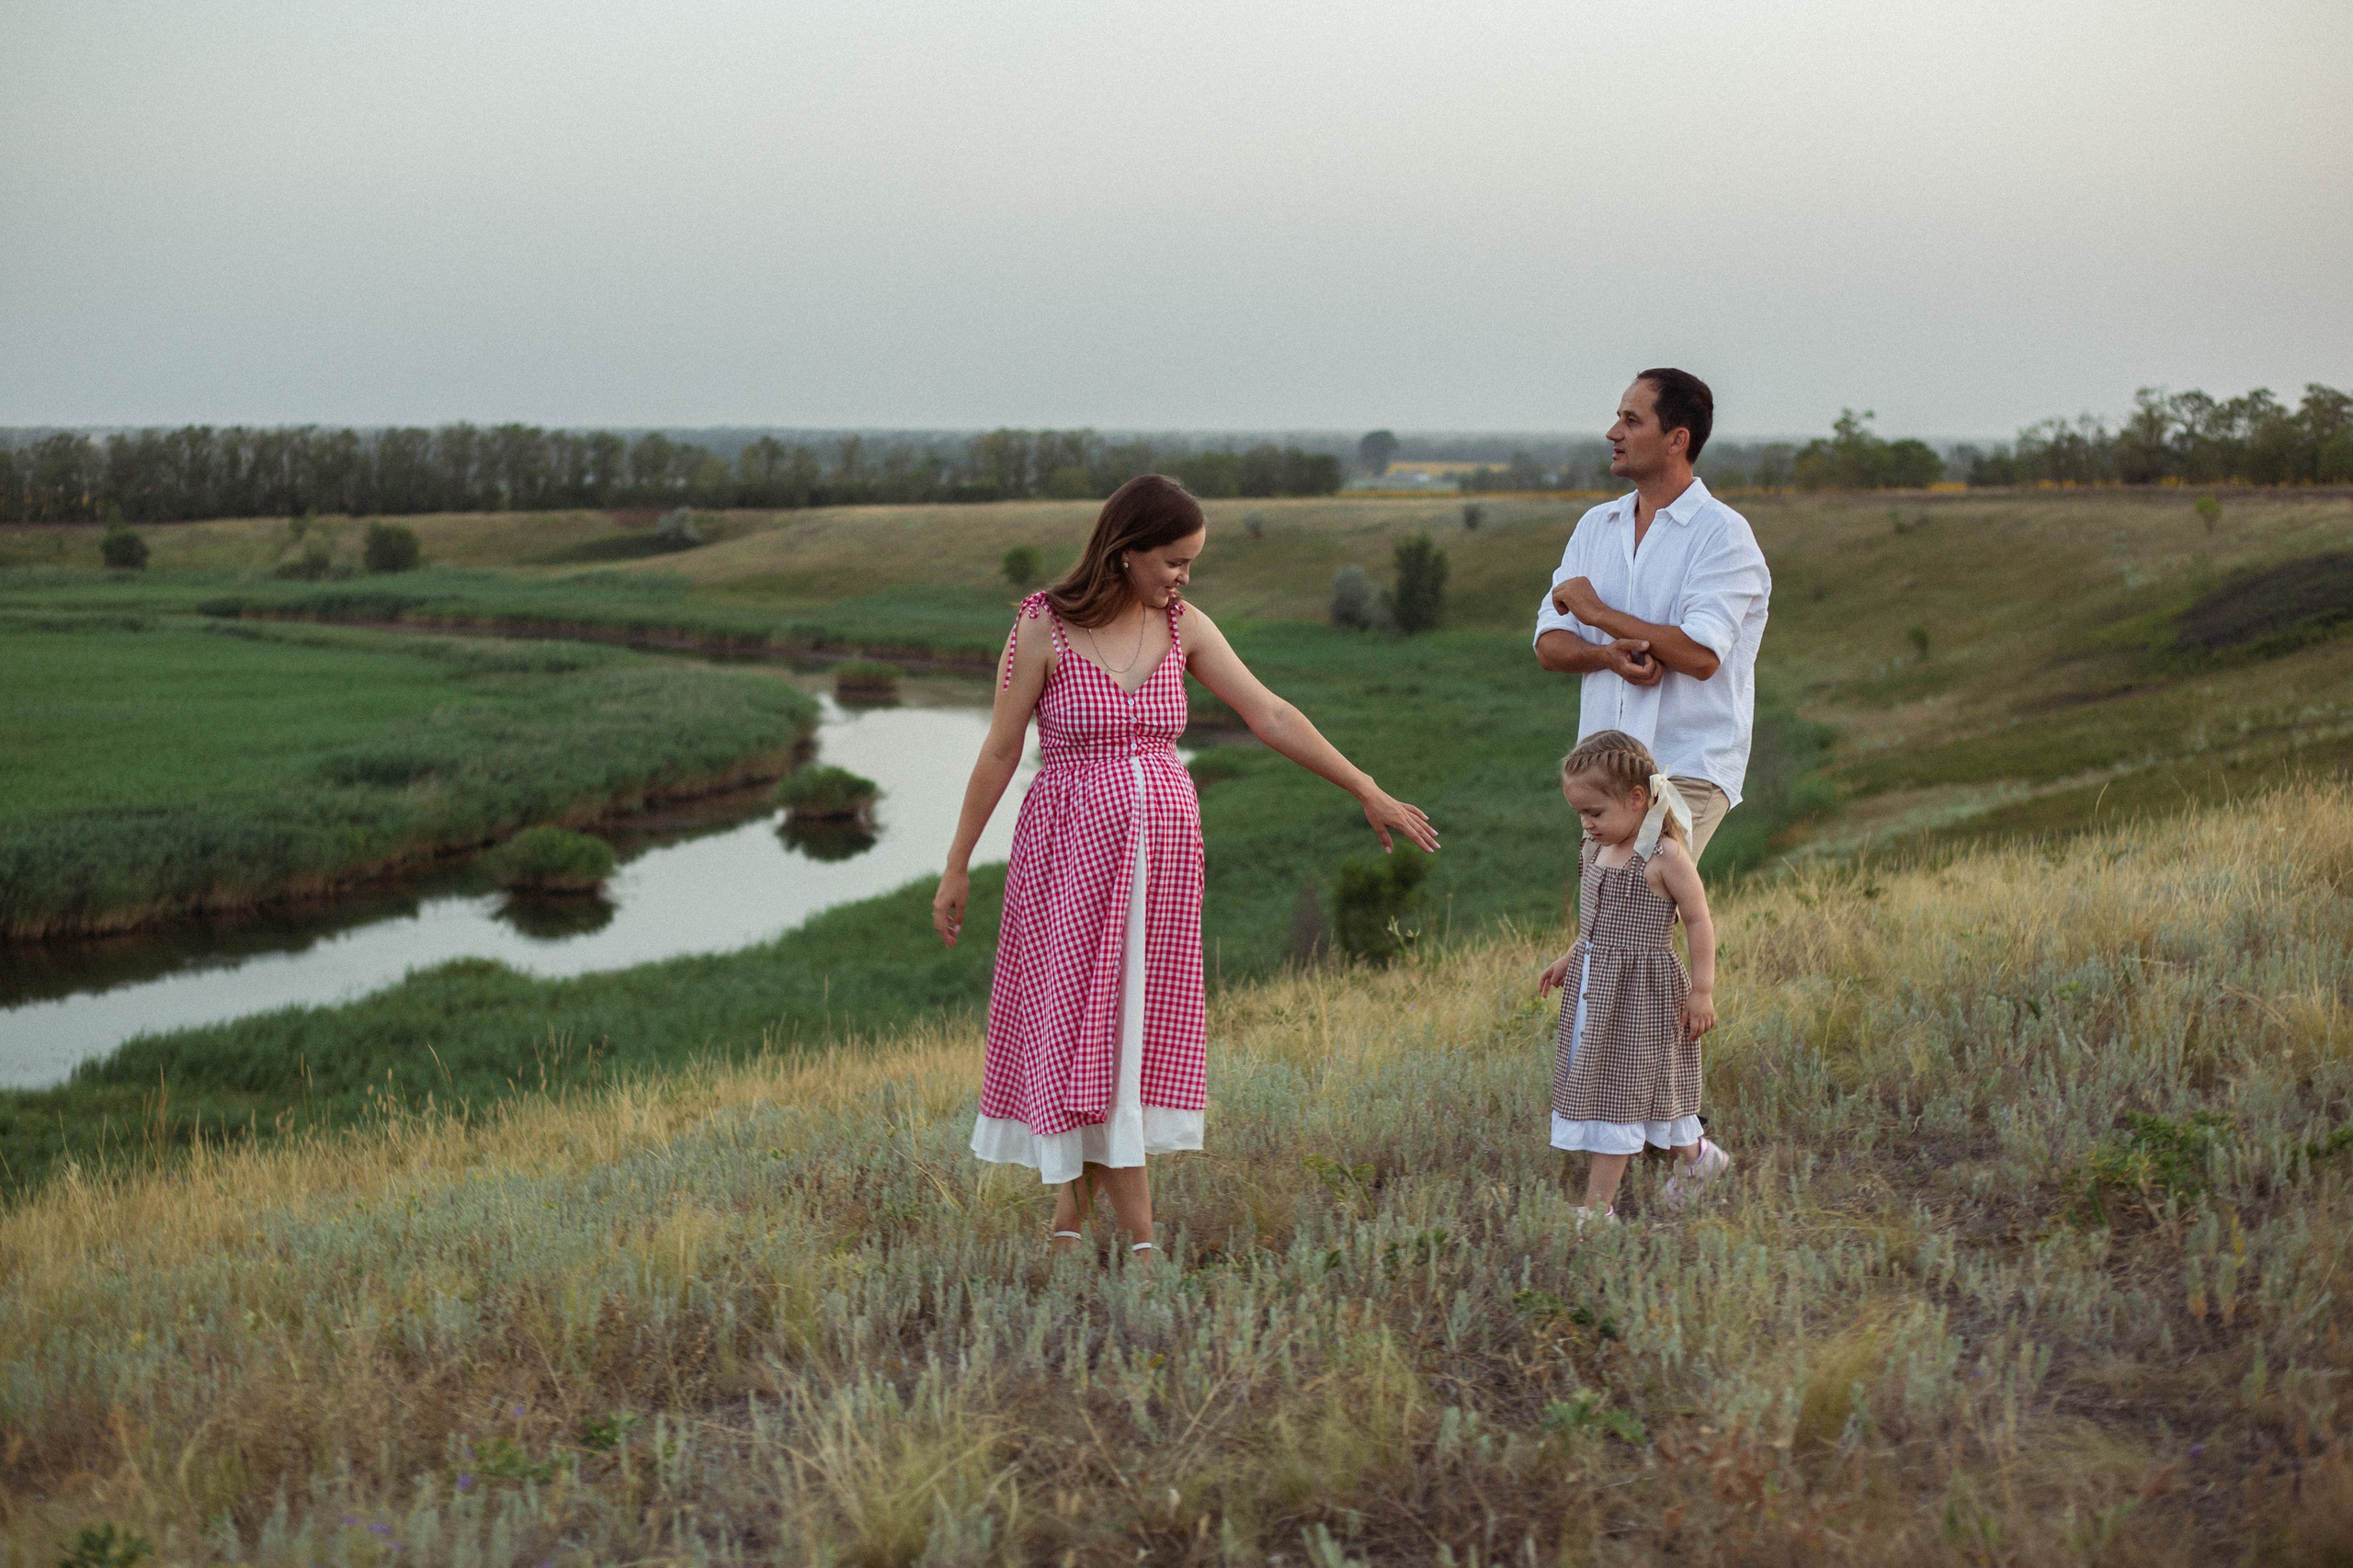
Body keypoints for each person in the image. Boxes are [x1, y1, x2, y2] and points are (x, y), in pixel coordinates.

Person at [932, 474, 1438, 1266]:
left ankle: (1071, 1222)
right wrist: (957, 864)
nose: (1184, 576)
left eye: (1191, 562)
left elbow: (1268, 712)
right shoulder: (1042, 627)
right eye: (1173, 560)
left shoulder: (1184, 626)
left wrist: (1366, 787)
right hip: (1069, 856)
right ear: (1126, 552)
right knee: (1082, 1027)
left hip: (1162, 864)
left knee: (1127, 1030)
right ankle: (1140, 1242)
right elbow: (1000, 750)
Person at [1533, 369, 1771, 860]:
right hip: (1604, 772)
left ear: (1676, 440)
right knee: (1612, 924)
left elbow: (1701, 655)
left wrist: (1597, 612)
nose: (1613, 433)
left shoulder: (1722, 535)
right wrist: (1605, 655)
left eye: (1631, 420)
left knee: (1646, 905)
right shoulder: (1596, 526)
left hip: (1687, 765)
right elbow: (1548, 646)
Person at [1537, 730, 1730, 1222]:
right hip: (1597, 988)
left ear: (1637, 798)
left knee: (1619, 1096)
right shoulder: (1597, 848)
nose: (1586, 823)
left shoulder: (1664, 857)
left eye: (1595, 812)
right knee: (1640, 1086)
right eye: (1580, 813)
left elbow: (1699, 920)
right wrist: (1569, 958)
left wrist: (1703, 990)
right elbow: (1597, 922)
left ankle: (1596, 1212)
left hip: (1643, 992)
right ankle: (1700, 1162)